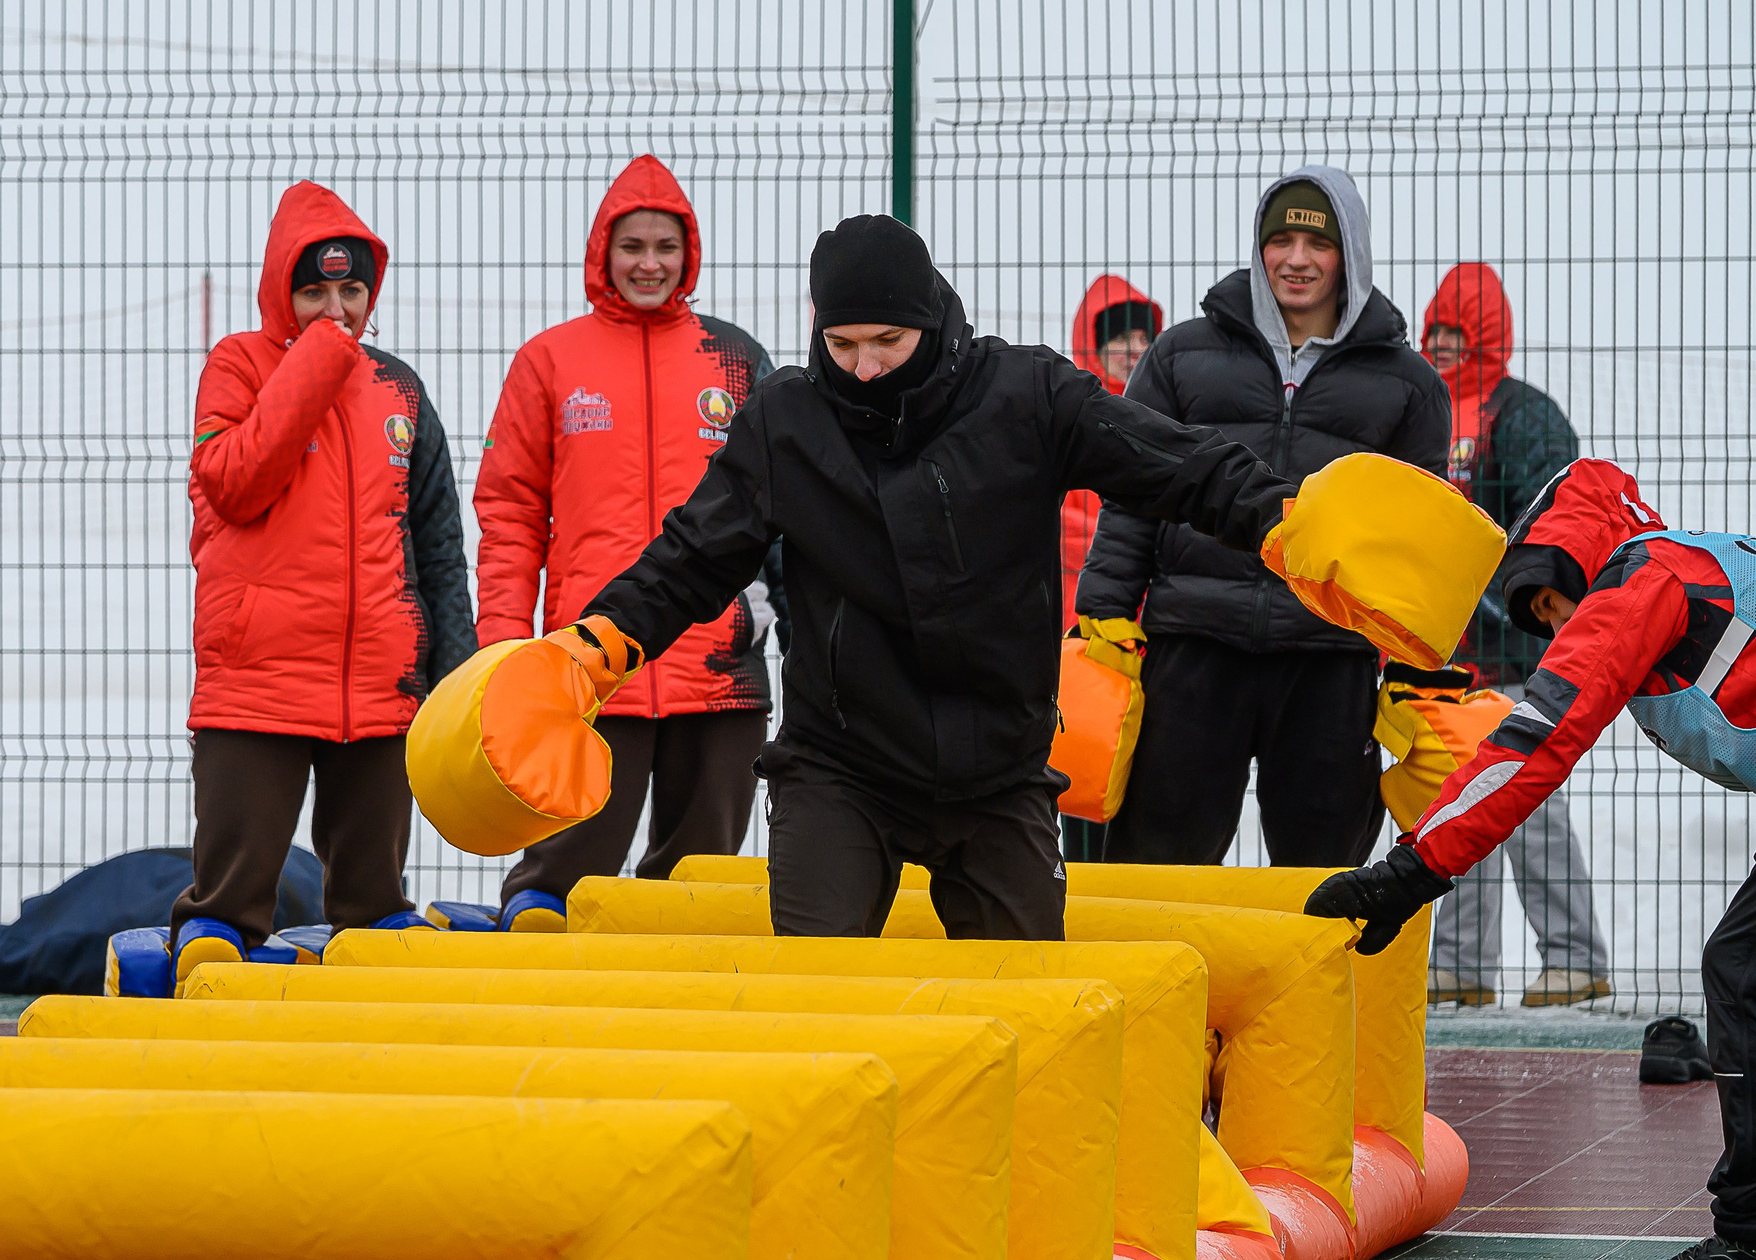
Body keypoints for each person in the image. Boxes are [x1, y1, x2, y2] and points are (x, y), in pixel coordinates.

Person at [577, 213, 1300, 941]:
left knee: (1031, 1009)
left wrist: (1290, 520)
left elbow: (1177, 463)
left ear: (929, 318)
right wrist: (590, 647)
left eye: (888, 341)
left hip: (1000, 770)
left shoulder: (1026, 395)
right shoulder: (786, 421)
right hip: (840, 764)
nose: (864, 366)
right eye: (842, 344)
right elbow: (691, 557)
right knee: (816, 997)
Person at [1306, 460, 1756, 1260]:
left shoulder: (1639, 581)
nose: (1554, 631)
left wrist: (1412, 869)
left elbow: (1535, 739)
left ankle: (1752, 1238)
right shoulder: (1694, 568)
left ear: (1573, 555)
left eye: (1548, 603)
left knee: (1742, 972)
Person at [1077, 167, 1448, 867]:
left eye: (1319, 244)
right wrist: (1104, 612)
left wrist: (1414, 667)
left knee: (1324, 876)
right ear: (1259, 247)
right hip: (1193, 647)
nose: (1296, 260)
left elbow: (1418, 541)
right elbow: (1132, 494)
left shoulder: (1410, 385)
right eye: (1279, 239)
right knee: (1157, 867)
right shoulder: (1181, 355)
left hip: (1328, 656)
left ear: (1351, 255)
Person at [172, 181, 475, 961]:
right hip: (258, 683)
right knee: (227, 916)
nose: (336, 309)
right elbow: (234, 481)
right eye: (314, 291)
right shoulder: (238, 364)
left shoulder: (399, 388)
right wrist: (317, 362)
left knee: (374, 915)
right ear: (282, 291)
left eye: (351, 290)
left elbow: (437, 539)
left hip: (378, 688)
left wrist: (452, 668)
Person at [473, 157, 778, 926]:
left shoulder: (736, 361)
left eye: (665, 247)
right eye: (633, 246)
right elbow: (509, 516)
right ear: (602, 253)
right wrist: (504, 648)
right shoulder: (549, 360)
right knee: (560, 877)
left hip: (717, 666)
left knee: (697, 880)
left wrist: (780, 614)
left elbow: (785, 503)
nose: (649, 264)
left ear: (690, 254)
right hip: (589, 661)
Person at [1420, 262, 1612, 1006]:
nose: (1440, 346)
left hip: (1519, 651)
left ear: (1486, 335)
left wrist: (1529, 608)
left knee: (1527, 802)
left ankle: (1574, 959)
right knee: (1457, 798)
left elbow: (1557, 524)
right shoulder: (1426, 414)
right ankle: (1460, 971)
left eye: (1455, 334)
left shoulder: (1523, 415)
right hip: (1442, 658)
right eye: (1434, 332)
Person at [1058, 275, 1164, 864]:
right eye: (1118, 338)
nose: (1130, 349)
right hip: (1085, 638)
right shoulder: (1076, 417)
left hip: (1151, 637)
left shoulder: (1164, 416)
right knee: (1084, 775)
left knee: (1151, 782)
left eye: (1140, 338)